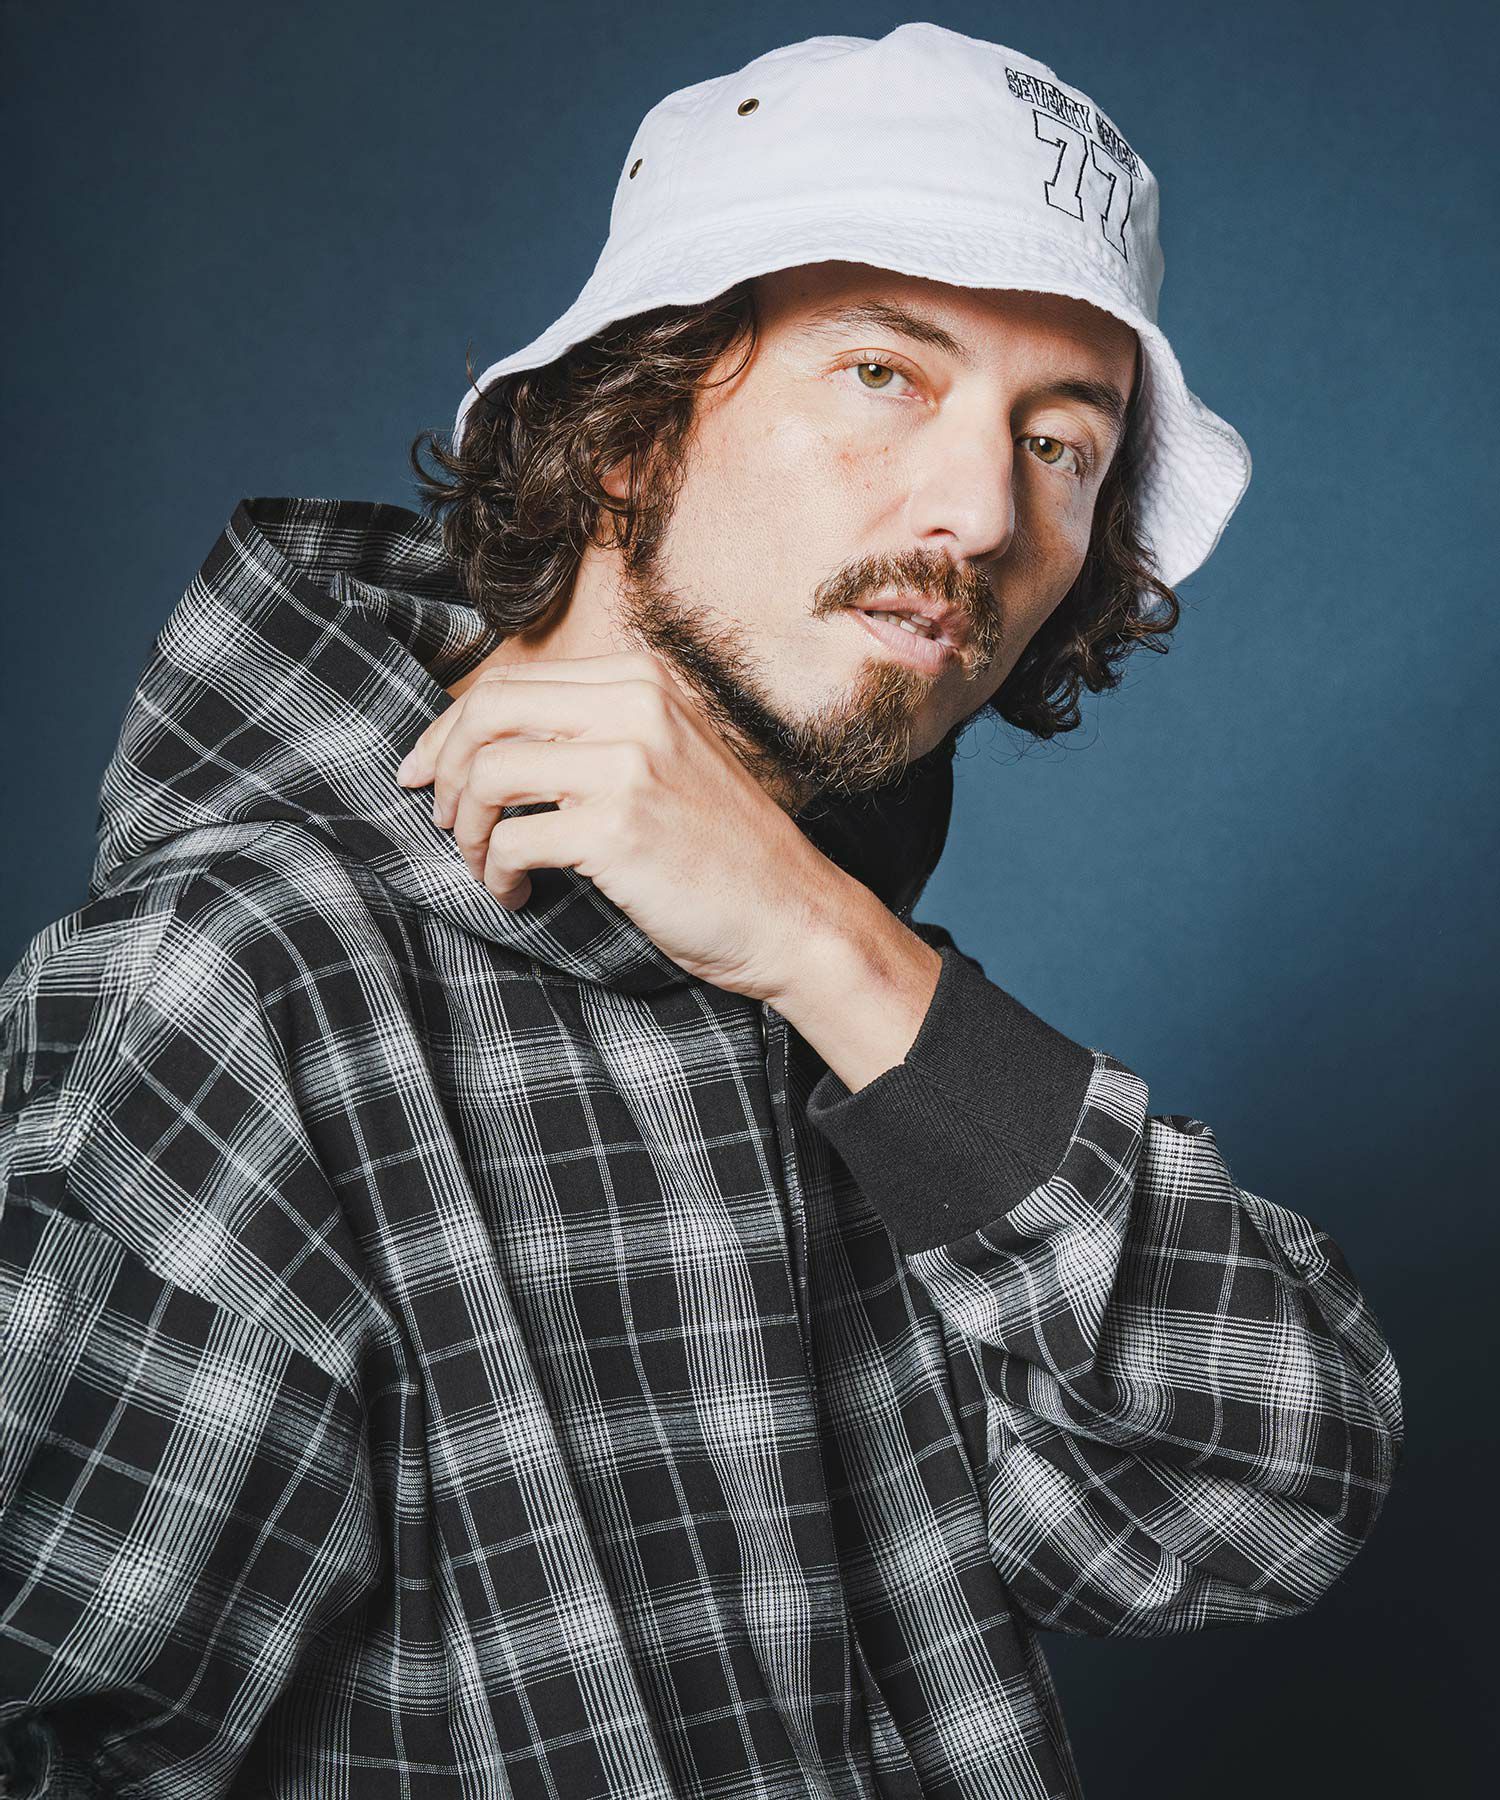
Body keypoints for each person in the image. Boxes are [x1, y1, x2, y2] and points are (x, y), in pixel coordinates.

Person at [0, 22, 1403, 1800]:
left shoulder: (833, 989)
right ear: (624, 431)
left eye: (1061, 442)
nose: (983, 511)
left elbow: (1260, 1491)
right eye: (885, 373)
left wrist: (826, 946)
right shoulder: (242, 985)